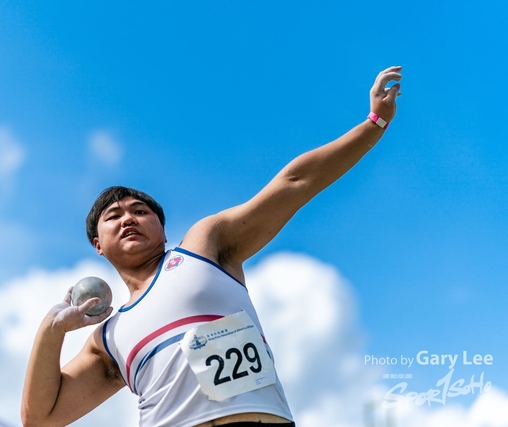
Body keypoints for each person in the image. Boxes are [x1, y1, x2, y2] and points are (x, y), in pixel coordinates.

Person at [21, 66, 402, 427]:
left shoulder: (203, 248)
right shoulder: (109, 337)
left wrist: (374, 125)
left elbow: (293, 183)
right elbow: (39, 418)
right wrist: (52, 328)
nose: (128, 218)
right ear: (98, 245)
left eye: (140, 211)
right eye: (113, 216)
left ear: (164, 232)